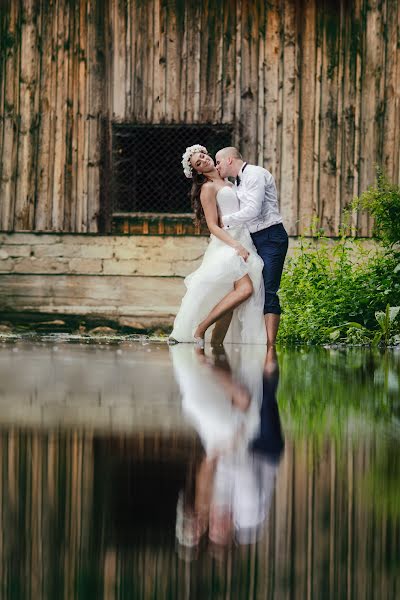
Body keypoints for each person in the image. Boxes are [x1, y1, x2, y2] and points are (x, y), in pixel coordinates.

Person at [169, 144, 266, 346]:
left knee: (229, 305)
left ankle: (217, 349)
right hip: (227, 244)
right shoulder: (208, 188)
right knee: (245, 290)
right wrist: (235, 246)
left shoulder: (230, 182)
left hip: (244, 239)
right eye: (198, 162)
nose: (203, 160)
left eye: (203, 156)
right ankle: (200, 328)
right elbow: (213, 225)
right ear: (197, 170)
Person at [215, 147, 288, 347]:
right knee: (252, 289)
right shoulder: (236, 183)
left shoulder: (255, 174)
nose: (216, 166)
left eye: (218, 162)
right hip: (252, 239)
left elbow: (253, 210)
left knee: (269, 290)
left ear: (229, 160)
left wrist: (225, 220)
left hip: (271, 237)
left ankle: (270, 347)